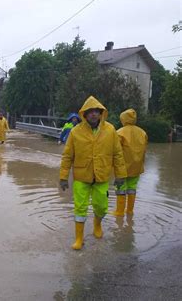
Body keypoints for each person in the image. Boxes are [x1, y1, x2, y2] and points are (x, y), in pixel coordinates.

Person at [59, 96, 127, 250]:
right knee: (80, 208)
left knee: (101, 206)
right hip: (81, 176)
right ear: (84, 114)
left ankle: (97, 225)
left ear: (101, 113)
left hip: (102, 176)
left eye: (96, 111)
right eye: (90, 111)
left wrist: (120, 175)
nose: (93, 114)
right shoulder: (76, 132)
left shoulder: (110, 130)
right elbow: (67, 156)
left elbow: (117, 154)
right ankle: (79, 239)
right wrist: (63, 177)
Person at [111, 109, 148, 217]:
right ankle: (130, 211)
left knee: (120, 189)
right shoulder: (143, 132)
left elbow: (115, 151)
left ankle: (119, 212)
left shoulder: (119, 132)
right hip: (137, 167)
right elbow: (145, 150)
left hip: (122, 167)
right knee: (132, 188)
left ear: (123, 119)